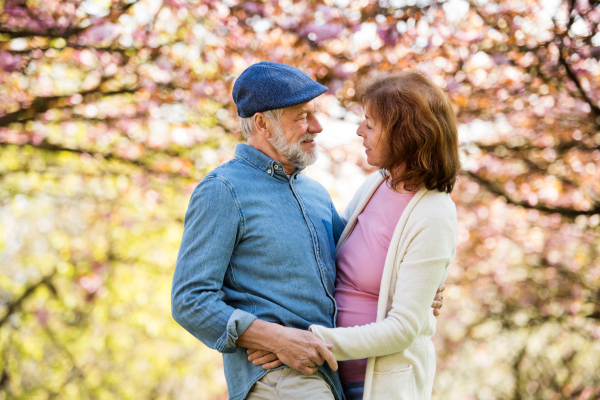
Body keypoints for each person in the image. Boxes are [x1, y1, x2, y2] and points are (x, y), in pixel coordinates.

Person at [172, 62, 444, 400]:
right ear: (262, 124)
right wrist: (273, 338)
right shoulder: (223, 189)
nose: (316, 127)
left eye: (314, 114)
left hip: (327, 371)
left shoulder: (314, 193)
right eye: (301, 116)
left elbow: (359, 263)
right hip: (276, 376)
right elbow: (189, 300)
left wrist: (421, 288)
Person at [248, 70, 459, 400]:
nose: (360, 131)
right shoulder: (377, 184)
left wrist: (307, 340)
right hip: (324, 378)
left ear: (405, 135)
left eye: (371, 125)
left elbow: (403, 329)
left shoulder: (434, 213)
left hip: (376, 387)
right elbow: (324, 248)